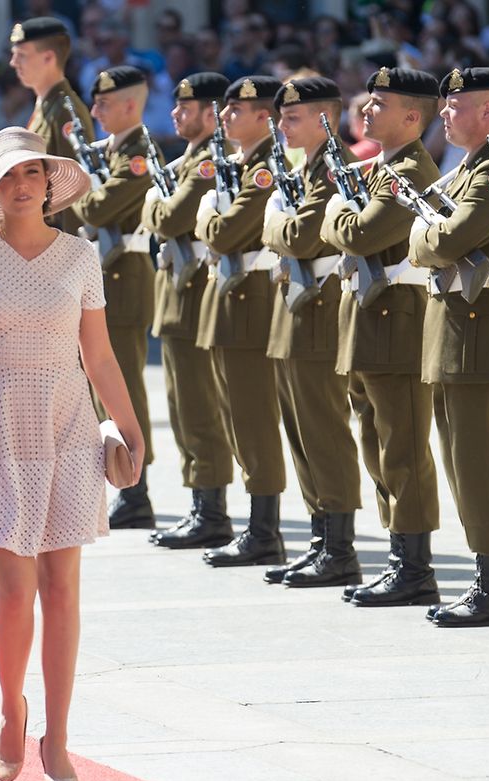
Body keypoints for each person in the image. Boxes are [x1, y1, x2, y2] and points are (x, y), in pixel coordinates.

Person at [0, 126, 143, 781]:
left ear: (50, 184)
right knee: (15, 591)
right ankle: (11, 709)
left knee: (61, 588)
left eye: (32, 175)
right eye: (9, 177)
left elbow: (100, 355)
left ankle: (58, 731)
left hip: (69, 430)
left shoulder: (80, 256)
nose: (21, 187)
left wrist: (134, 430)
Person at [407, 68, 489, 628]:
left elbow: (448, 239)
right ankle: (488, 579)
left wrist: (425, 237)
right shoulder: (468, 169)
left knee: (479, 462)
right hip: (455, 332)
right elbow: (429, 242)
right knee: (462, 461)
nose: (443, 115)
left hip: (482, 332)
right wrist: (427, 239)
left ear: (487, 112)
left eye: (453, 106)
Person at [318, 67, 442, 607]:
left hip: (398, 323)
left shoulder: (409, 170)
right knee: (377, 444)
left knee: (402, 448)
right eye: (367, 100)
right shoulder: (379, 169)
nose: (365, 110)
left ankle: (414, 565)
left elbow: (362, 233)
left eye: (380, 103)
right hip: (370, 322)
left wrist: (334, 209)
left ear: (412, 117)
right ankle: (399, 555)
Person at [261, 77, 364, 588]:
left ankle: (340, 547)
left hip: (319, 312)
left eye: (293, 116)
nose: (281, 124)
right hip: (294, 310)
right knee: (300, 434)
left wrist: (270, 221)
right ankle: (321, 538)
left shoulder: (333, 165)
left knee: (323, 429)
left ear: (325, 117)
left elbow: (302, 235)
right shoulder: (305, 165)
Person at [193, 75, 287, 568]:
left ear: (264, 116)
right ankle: (258, 524)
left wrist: (206, 217)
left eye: (238, 109)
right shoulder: (241, 165)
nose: (226, 117)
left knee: (253, 421)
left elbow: (228, 233)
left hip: (251, 303)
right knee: (236, 419)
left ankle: (265, 528)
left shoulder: (266, 167)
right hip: (229, 302)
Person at [142, 72, 237, 551]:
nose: (176, 114)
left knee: (200, 408)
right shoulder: (191, 160)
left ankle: (212, 509)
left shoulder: (207, 163)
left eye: (187, 108)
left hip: (196, 295)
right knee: (183, 408)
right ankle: (202, 504)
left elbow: (169, 217)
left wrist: (155, 202)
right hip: (178, 294)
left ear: (210, 113)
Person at [72, 66, 157, 529]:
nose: (96, 110)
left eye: (104, 103)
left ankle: (136, 487)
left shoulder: (139, 154)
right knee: (100, 388)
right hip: (105, 277)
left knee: (123, 387)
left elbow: (99, 207)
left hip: (124, 280)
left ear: (130, 105)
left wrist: (84, 182)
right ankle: (124, 480)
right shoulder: (112, 152)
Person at [9, 16, 94, 239]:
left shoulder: (65, 110)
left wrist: (70, 247)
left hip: (60, 242)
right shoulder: (47, 107)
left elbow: (74, 187)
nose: (13, 62)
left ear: (48, 58)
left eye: (22, 56)